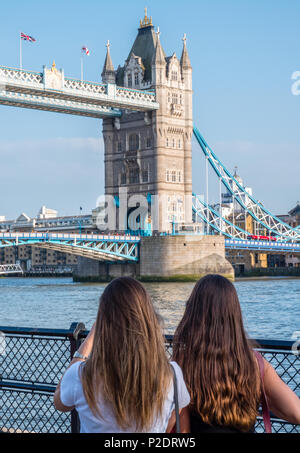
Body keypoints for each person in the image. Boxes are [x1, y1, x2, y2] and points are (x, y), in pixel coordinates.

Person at [54, 277, 190, 433]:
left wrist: (85, 347)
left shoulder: (80, 374)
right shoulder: (172, 375)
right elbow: (172, 420)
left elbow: (59, 403)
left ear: (103, 325)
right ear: (149, 322)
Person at [172, 274, 300, 433]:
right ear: (234, 314)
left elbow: (180, 427)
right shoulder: (254, 363)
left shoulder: (182, 363)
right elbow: (296, 412)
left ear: (193, 312)